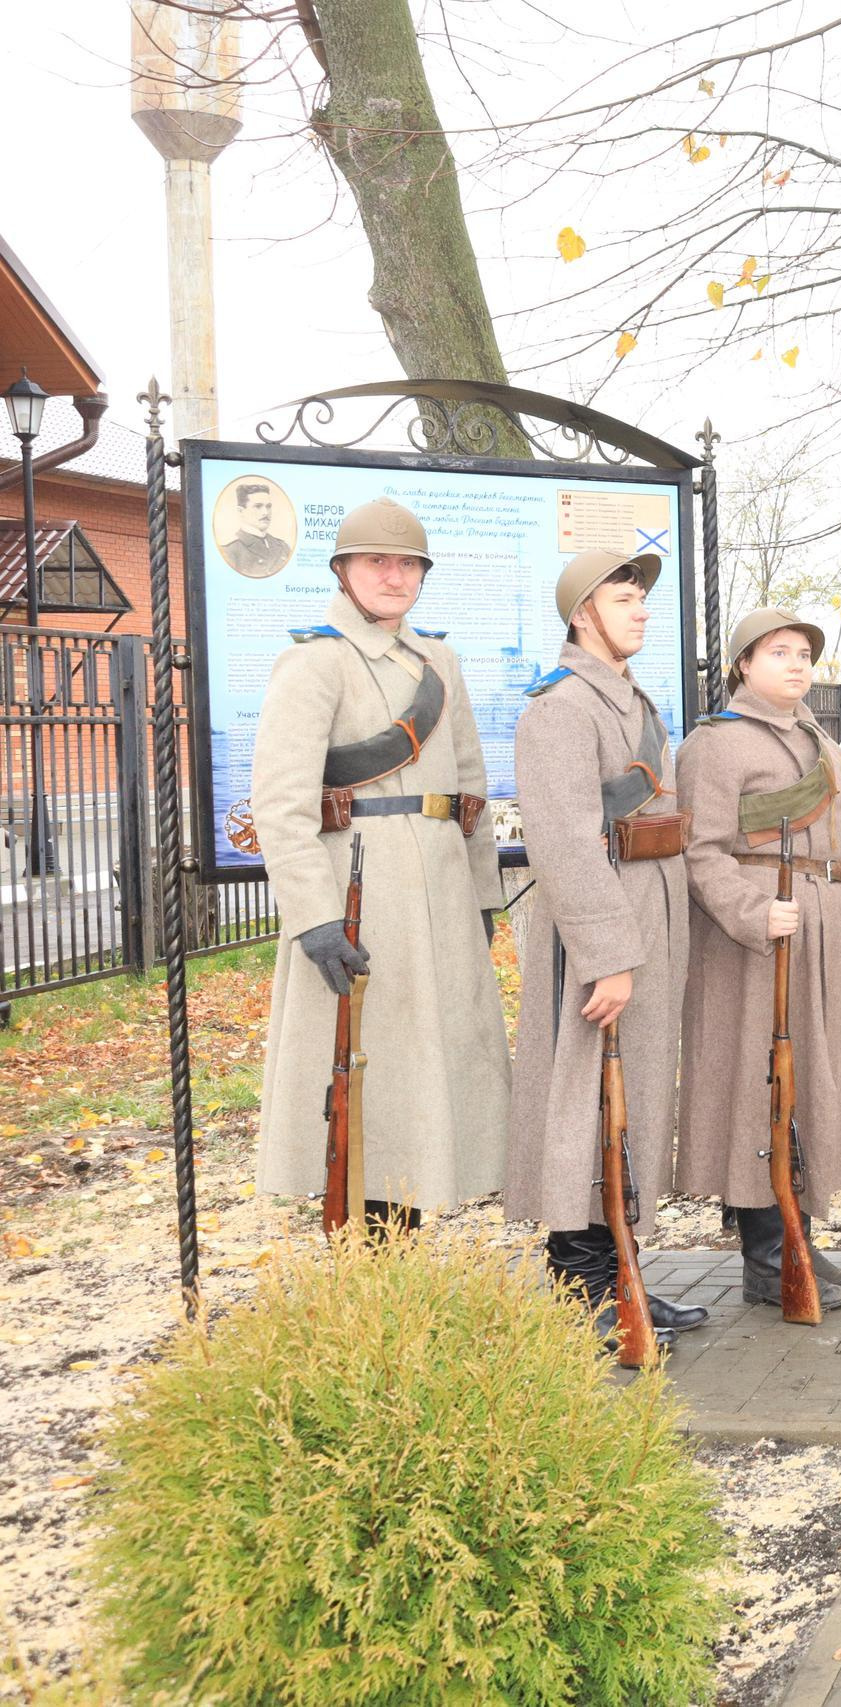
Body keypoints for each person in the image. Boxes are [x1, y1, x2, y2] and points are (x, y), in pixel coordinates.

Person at [247, 497, 509, 1226]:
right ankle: (365, 1271)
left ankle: (405, 1259)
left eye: (408, 565)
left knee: (427, 1081)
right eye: (378, 562)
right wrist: (314, 917)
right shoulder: (313, 660)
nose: (395, 576)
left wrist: (482, 897)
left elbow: (468, 792)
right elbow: (281, 802)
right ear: (344, 570)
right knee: (363, 1083)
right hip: (356, 894)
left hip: (440, 894)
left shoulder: (441, 660)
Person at [502, 549, 707, 1345]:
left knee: (636, 1092)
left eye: (642, 599)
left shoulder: (631, 700)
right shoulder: (560, 708)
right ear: (583, 610)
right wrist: (607, 954)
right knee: (583, 1094)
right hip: (601, 926)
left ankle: (619, 1267)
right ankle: (580, 1279)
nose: (643, 610)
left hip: (650, 909)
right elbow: (561, 842)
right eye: (626, 599)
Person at [676, 608, 841, 1314]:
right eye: (779, 652)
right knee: (758, 1084)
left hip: (822, 930)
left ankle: (796, 1234)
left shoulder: (825, 742)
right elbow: (700, 850)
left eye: (804, 654)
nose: (797, 665)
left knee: (810, 1085)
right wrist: (750, 912)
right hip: (756, 939)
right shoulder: (716, 746)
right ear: (743, 664)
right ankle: (766, 1251)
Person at [220, 480, 292, 576]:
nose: (265, 512)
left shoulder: (283, 547)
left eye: (268, 506)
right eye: (258, 506)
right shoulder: (230, 550)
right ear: (241, 511)